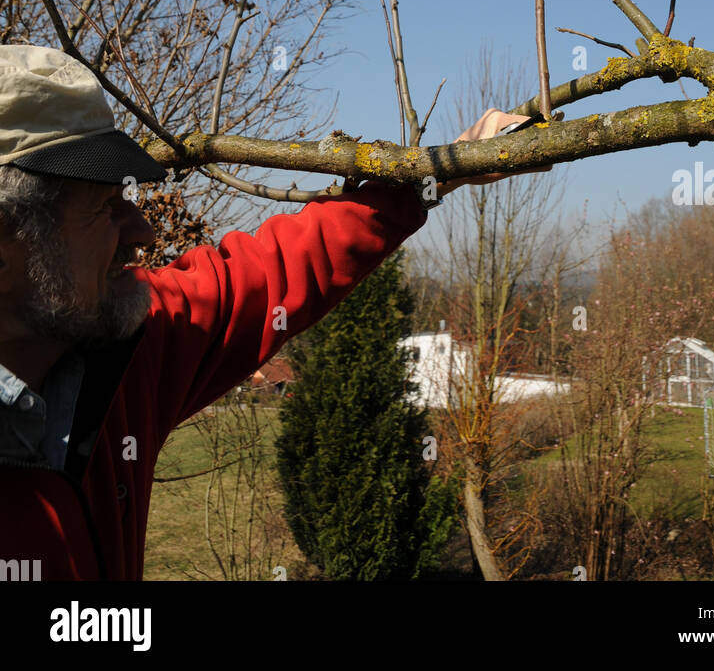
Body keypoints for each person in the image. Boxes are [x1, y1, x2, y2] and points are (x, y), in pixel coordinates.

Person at [0, 44, 532, 580]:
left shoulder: (128, 341)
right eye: (103, 209)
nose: (143, 232)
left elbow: (275, 270)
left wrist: (443, 166)